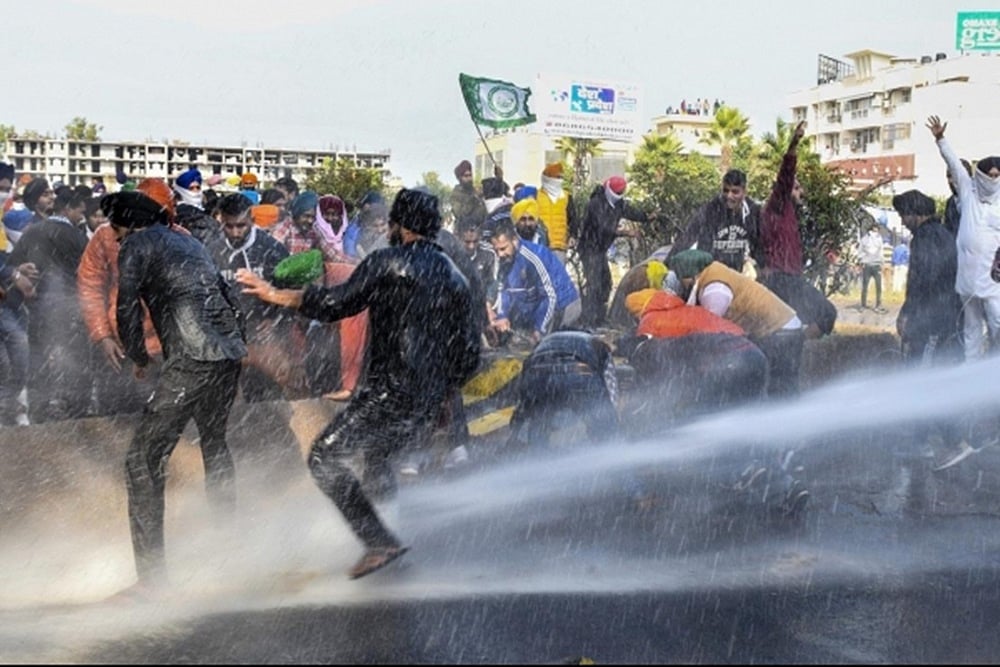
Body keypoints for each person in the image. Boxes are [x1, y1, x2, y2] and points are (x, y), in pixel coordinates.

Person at [236, 188, 480, 579]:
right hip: (427, 396)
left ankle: (379, 541)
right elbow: (469, 352)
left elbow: (337, 303)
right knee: (378, 457)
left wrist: (274, 294)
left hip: (389, 390)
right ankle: (389, 533)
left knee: (323, 458)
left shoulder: (386, 262)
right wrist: (446, 391)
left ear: (399, 224)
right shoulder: (454, 275)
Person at [109, 189, 246, 599]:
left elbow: (125, 306)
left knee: (142, 461)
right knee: (215, 443)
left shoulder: (136, 242)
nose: (116, 241)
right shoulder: (188, 240)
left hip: (192, 357)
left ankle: (151, 580)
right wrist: (237, 342)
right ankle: (230, 547)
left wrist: (137, 355)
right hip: (227, 353)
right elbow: (227, 297)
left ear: (127, 224)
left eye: (116, 233)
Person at [78, 178, 178, 417]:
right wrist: (102, 335)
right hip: (119, 345)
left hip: (166, 347)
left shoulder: (180, 239)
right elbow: (89, 286)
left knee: (165, 416)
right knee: (117, 414)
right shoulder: (105, 236)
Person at [669, 249, 804, 399]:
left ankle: (782, 419)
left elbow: (710, 329)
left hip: (780, 332)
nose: (680, 284)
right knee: (779, 387)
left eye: (680, 278)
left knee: (778, 388)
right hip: (783, 328)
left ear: (690, 275)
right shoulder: (713, 272)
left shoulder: (714, 289)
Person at [7, 186, 91, 422]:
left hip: (39, 307)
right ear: (68, 209)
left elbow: (13, 264)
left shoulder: (33, 231)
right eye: (79, 213)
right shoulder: (76, 236)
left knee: (40, 359)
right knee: (76, 360)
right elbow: (89, 271)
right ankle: (76, 412)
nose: (80, 218)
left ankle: (39, 411)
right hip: (71, 307)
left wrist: (24, 278)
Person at [206, 193, 293, 402]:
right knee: (226, 401)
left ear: (252, 221)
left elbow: (291, 293)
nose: (235, 233)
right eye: (229, 226)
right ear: (221, 222)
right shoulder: (211, 249)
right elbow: (205, 293)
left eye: (241, 226)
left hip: (265, 334)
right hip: (228, 337)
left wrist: (276, 320)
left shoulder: (272, 250)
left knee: (268, 399)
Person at [927, 115, 1000, 360]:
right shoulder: (968, 193)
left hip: (992, 279)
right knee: (971, 330)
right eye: (989, 174)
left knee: (997, 323)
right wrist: (940, 139)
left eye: (997, 175)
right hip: (967, 277)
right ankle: (972, 373)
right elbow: (955, 166)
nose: (993, 178)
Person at [757, 120, 837, 338]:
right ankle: (798, 348)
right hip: (782, 281)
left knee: (796, 323)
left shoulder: (789, 212)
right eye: (797, 187)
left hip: (789, 278)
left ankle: (796, 351)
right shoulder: (778, 205)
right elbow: (785, 176)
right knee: (826, 313)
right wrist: (794, 143)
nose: (801, 192)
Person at [892, 190, 962, 365]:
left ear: (916, 213)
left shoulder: (924, 237)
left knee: (919, 364)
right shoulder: (943, 233)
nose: (903, 222)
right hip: (949, 311)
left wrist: (907, 312)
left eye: (904, 216)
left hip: (930, 314)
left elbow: (922, 278)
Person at [490, 218, 581, 345]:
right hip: (534, 304)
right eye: (497, 250)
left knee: (545, 347)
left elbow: (550, 297)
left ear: (515, 241)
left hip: (563, 304)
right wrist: (502, 316)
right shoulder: (504, 261)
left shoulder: (533, 257)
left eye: (503, 248)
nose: (500, 254)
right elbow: (504, 291)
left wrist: (539, 329)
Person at [577, 176, 649, 328]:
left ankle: (600, 317)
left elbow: (632, 212)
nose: (619, 195)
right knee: (595, 284)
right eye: (618, 192)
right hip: (589, 248)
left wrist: (648, 217)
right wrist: (626, 233)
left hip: (600, 250)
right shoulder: (596, 204)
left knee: (605, 284)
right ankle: (589, 319)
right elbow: (603, 226)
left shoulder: (618, 204)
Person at [668, 169, 762, 274]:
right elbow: (688, 237)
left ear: (744, 192)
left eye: (735, 191)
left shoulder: (753, 212)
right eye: (726, 191)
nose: (729, 196)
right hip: (711, 271)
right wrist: (667, 264)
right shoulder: (710, 210)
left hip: (740, 273)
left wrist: (762, 266)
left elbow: (759, 244)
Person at [172, 167, 223, 246]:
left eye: (198, 188)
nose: (195, 191)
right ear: (181, 191)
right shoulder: (182, 211)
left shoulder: (204, 209)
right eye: (191, 188)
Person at [536, 162, 575, 264]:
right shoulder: (537, 196)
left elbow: (573, 219)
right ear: (547, 178)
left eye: (560, 177)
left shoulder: (566, 196)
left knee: (558, 277)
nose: (559, 181)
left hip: (560, 246)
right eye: (556, 177)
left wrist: (572, 236)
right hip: (541, 246)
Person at [857, 224, 886, 313]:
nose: (876, 230)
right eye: (874, 228)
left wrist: (882, 262)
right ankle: (863, 305)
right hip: (867, 265)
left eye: (877, 229)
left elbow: (881, 251)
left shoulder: (879, 238)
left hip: (876, 264)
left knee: (878, 286)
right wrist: (862, 260)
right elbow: (860, 250)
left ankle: (878, 304)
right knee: (865, 286)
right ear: (871, 229)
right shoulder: (865, 239)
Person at [449, 159, 487, 226]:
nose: (469, 178)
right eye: (466, 176)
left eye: (470, 175)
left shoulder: (475, 190)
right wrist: (474, 198)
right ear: (460, 178)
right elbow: (460, 214)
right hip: (464, 231)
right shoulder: (455, 194)